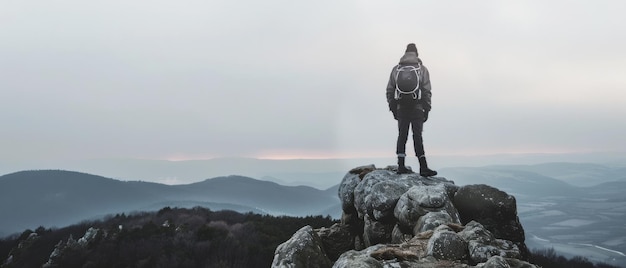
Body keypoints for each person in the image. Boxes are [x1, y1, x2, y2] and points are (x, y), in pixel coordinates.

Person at [386, 43, 437, 176]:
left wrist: (393, 108)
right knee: (417, 136)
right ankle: (423, 167)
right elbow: (427, 90)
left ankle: (401, 165)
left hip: (401, 107)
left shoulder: (396, 69)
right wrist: (427, 109)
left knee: (402, 135)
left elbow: (390, 90)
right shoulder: (422, 69)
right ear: (416, 54)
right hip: (417, 107)